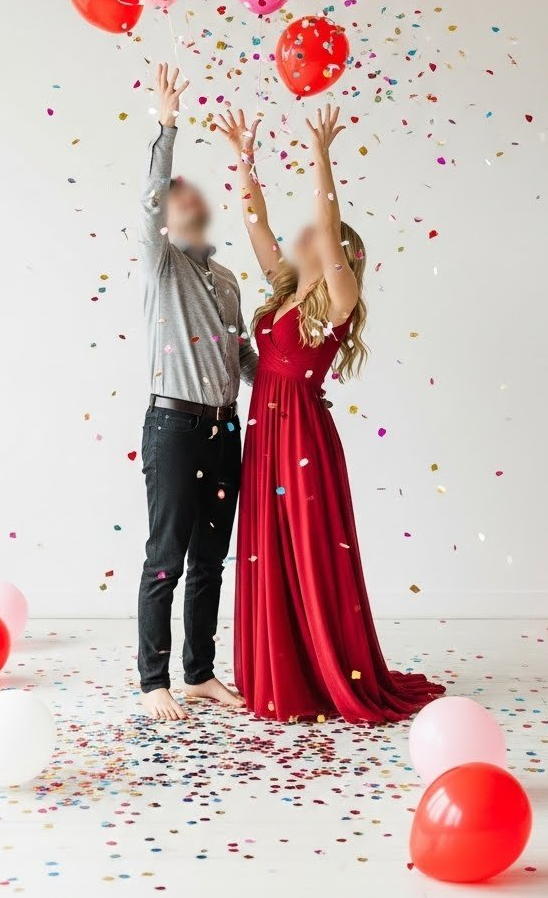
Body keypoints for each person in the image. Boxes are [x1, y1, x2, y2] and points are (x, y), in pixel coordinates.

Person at [214, 103, 445, 723]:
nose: (304, 237)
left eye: (318, 234)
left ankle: (322, 672)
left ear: (338, 249)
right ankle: (278, 669)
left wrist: (321, 155)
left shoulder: (337, 296)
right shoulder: (288, 288)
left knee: (308, 551)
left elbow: (328, 217)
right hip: (266, 434)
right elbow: (255, 224)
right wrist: (246, 158)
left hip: (302, 439)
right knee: (270, 547)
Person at [136, 64, 259, 721]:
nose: (185, 206)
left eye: (193, 201)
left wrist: (283, 389)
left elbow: (242, 357)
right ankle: (153, 678)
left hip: (224, 428)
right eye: (176, 202)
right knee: (167, 556)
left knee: (211, 558)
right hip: (175, 428)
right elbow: (151, 197)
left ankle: (199, 672)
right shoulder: (163, 266)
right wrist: (166, 125)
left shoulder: (229, 281)